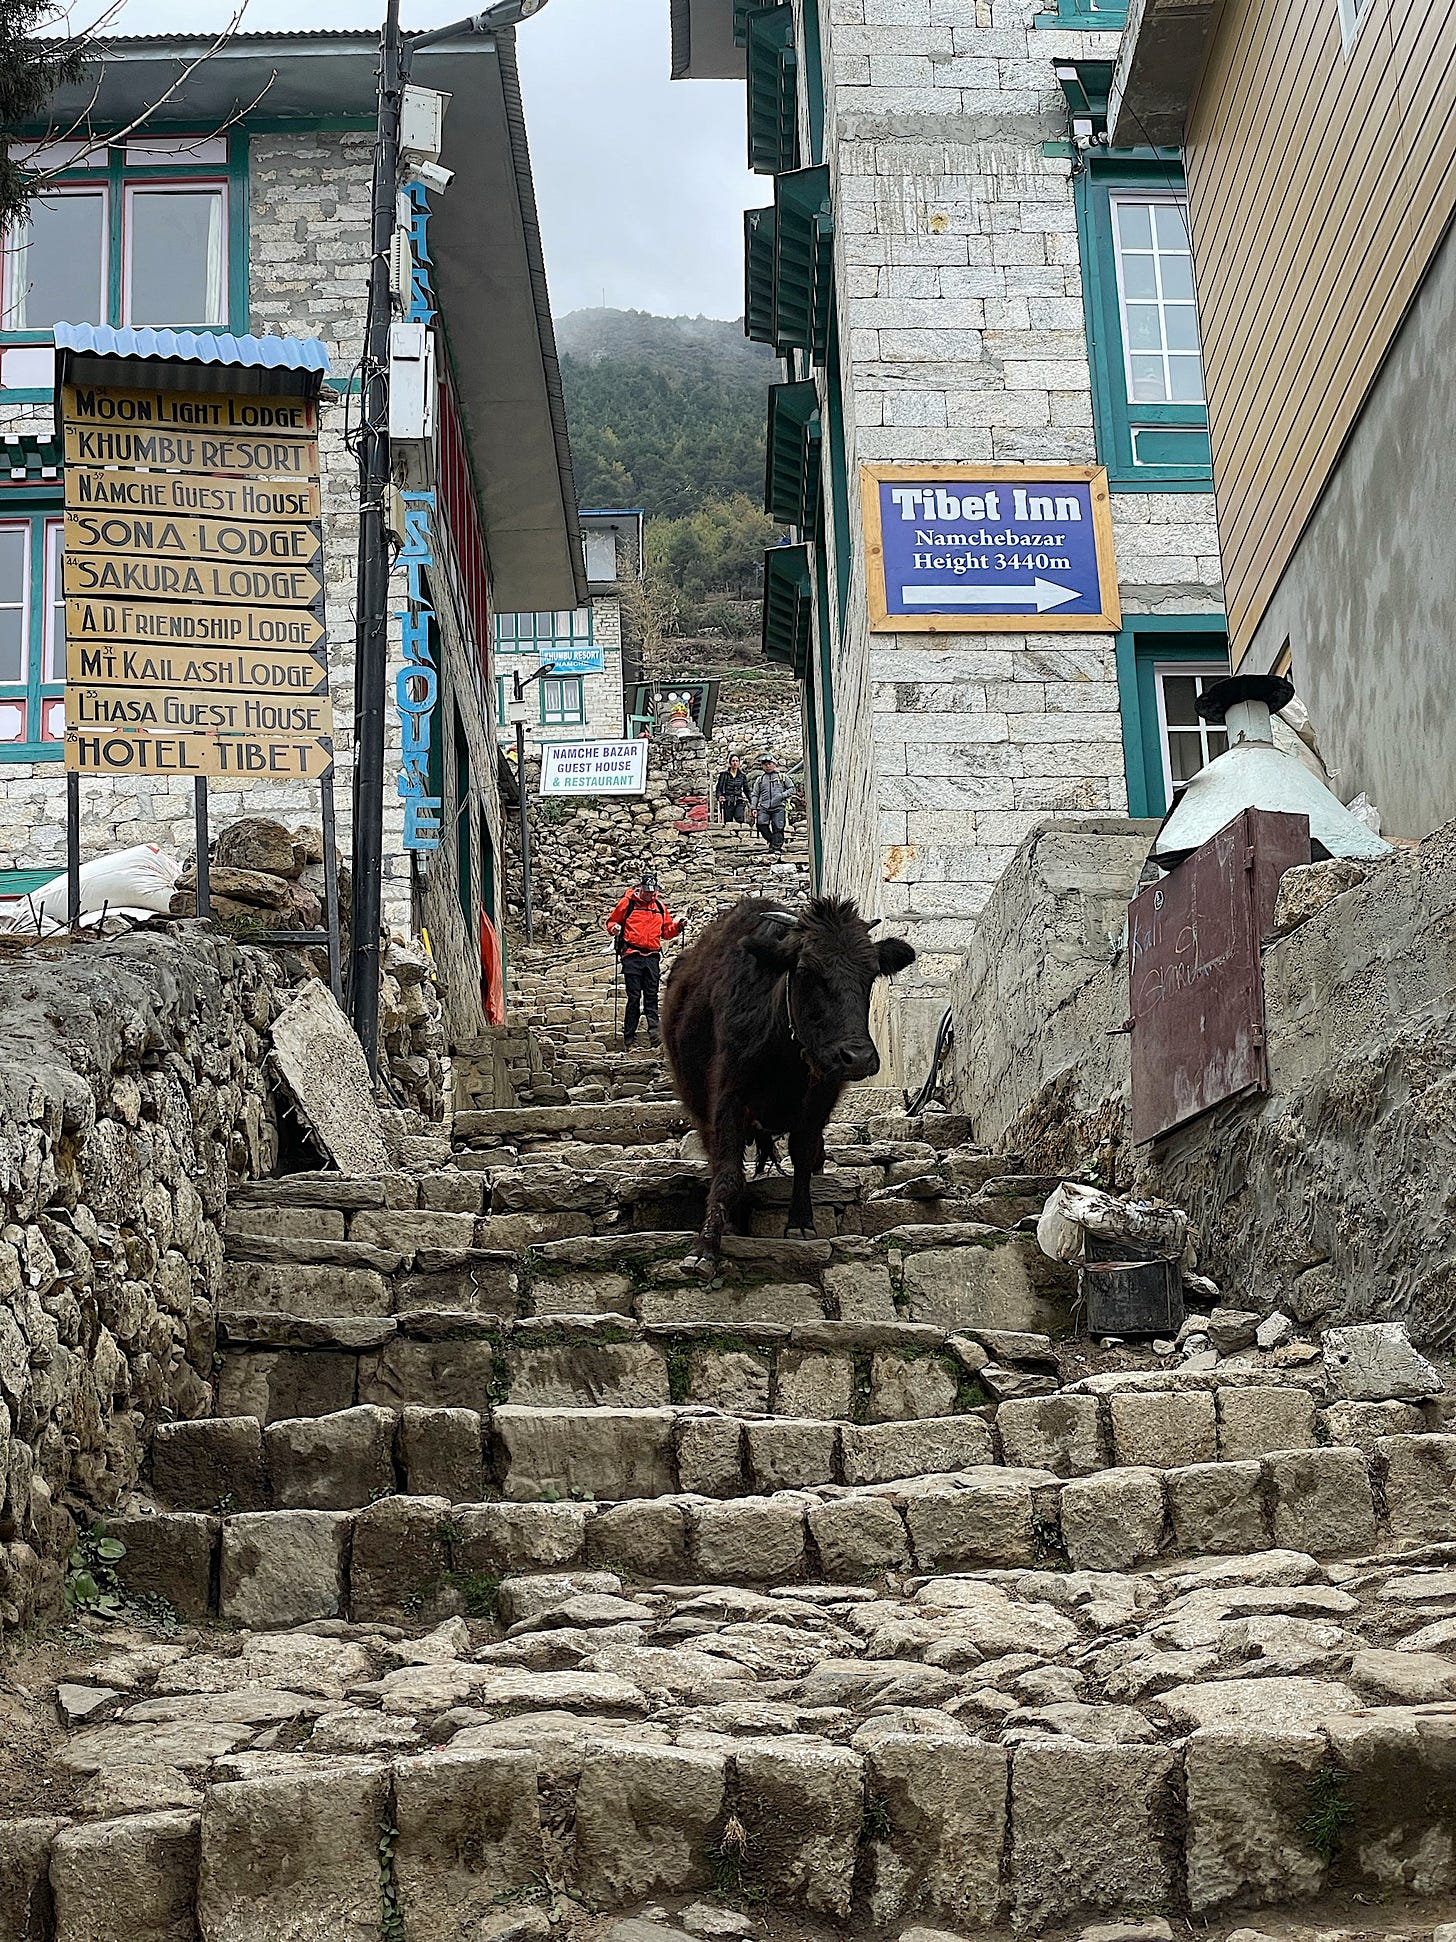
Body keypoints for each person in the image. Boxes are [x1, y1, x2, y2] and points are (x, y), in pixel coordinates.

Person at [605, 868, 683, 1049]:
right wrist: (615, 929)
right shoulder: (627, 903)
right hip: (632, 954)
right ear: (641, 887)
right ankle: (629, 1036)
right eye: (648, 891)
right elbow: (611, 922)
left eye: (653, 891)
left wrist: (678, 927)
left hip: (652, 956)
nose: (650, 894)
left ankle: (655, 1034)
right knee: (633, 996)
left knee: (651, 995)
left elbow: (666, 932)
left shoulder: (660, 907)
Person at [750, 755, 793, 855]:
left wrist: (782, 796)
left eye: (769, 764)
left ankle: (776, 848)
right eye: (765, 764)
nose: (767, 766)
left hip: (779, 806)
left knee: (778, 827)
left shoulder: (782, 777)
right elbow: (755, 794)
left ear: (774, 764)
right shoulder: (759, 780)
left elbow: (792, 789)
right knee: (761, 824)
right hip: (764, 807)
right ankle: (772, 841)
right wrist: (753, 807)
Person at [715, 753, 748, 826]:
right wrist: (719, 796)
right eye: (733, 761)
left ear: (739, 763)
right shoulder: (724, 775)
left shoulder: (742, 776)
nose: (735, 763)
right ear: (730, 763)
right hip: (727, 801)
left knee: (740, 819)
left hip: (738, 800)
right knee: (727, 821)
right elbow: (719, 788)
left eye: (736, 761)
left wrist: (753, 803)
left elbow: (746, 790)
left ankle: (740, 836)